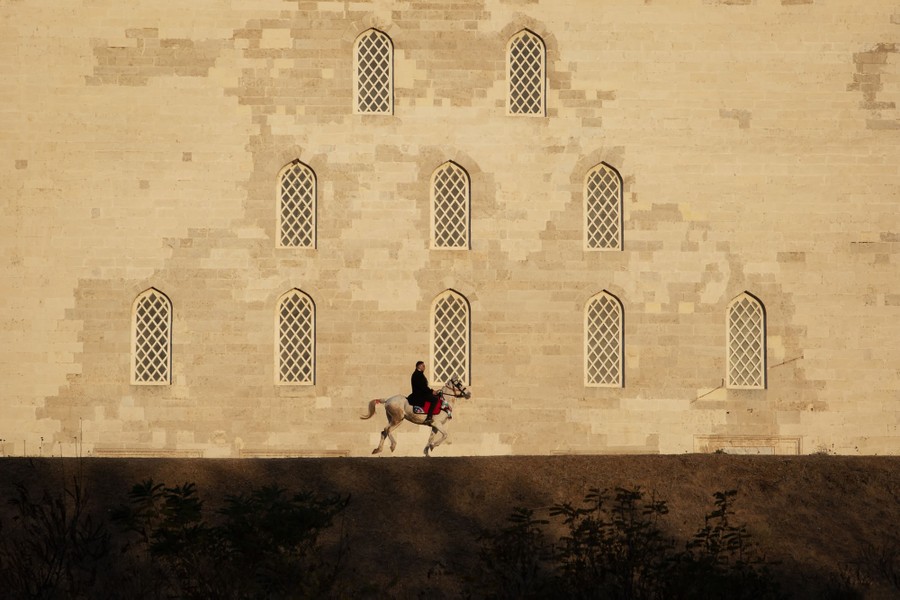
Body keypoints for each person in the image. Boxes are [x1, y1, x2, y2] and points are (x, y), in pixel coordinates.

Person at [408, 361, 440, 425]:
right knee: (434, 399)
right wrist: (432, 392)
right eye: (423, 366)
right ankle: (429, 417)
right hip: (419, 395)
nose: (424, 367)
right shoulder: (417, 375)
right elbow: (422, 387)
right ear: (419, 366)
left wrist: (432, 391)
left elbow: (424, 386)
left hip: (422, 393)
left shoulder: (420, 374)